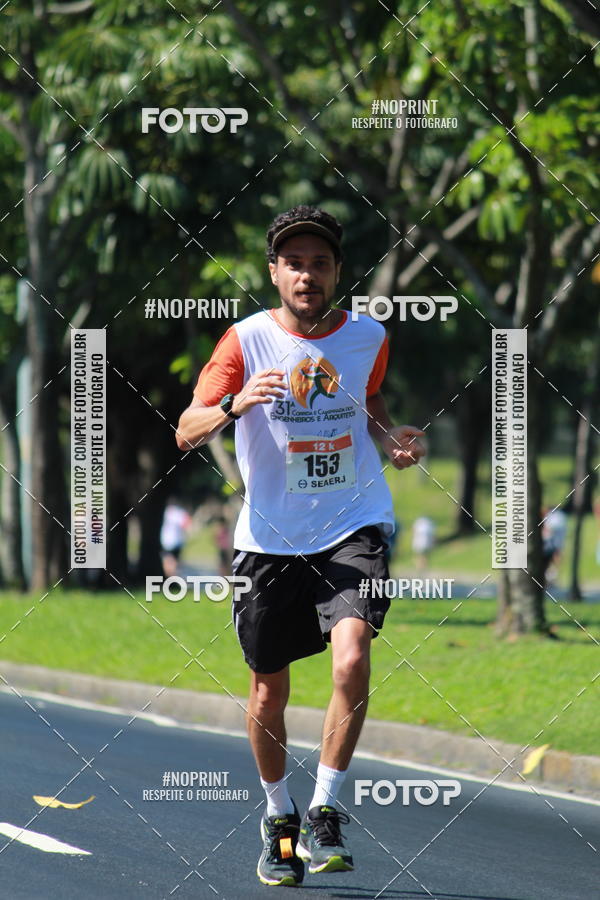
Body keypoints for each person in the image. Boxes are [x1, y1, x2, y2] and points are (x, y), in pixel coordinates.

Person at [175, 205, 426, 887]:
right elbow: (185, 429)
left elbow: (366, 407)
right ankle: (279, 818)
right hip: (269, 542)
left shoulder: (369, 336)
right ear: (275, 272)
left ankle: (325, 811)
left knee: (352, 660)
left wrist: (392, 439)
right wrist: (234, 405)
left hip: (355, 524)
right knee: (267, 692)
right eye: (295, 263)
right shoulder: (245, 340)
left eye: (320, 263)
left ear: (337, 272)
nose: (307, 274)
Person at [160, 500, 192, 577]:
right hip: (176, 541)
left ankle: (170, 577)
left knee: (168, 561)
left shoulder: (165, 511)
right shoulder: (179, 512)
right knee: (173, 562)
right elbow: (187, 524)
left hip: (166, 541)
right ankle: (172, 577)